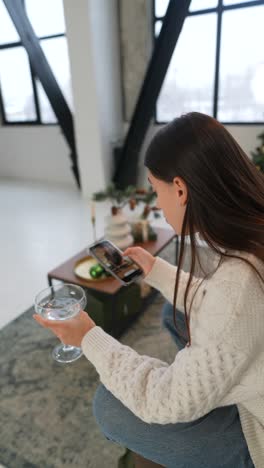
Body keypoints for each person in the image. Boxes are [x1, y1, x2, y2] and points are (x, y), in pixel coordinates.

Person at [33, 112, 264, 468]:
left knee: (107, 406)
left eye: (156, 190)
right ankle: (209, 380)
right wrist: (155, 270)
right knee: (176, 313)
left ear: (181, 189)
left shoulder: (237, 288)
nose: (157, 204)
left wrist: (89, 337)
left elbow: (164, 400)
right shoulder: (252, 237)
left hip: (256, 432)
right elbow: (222, 304)